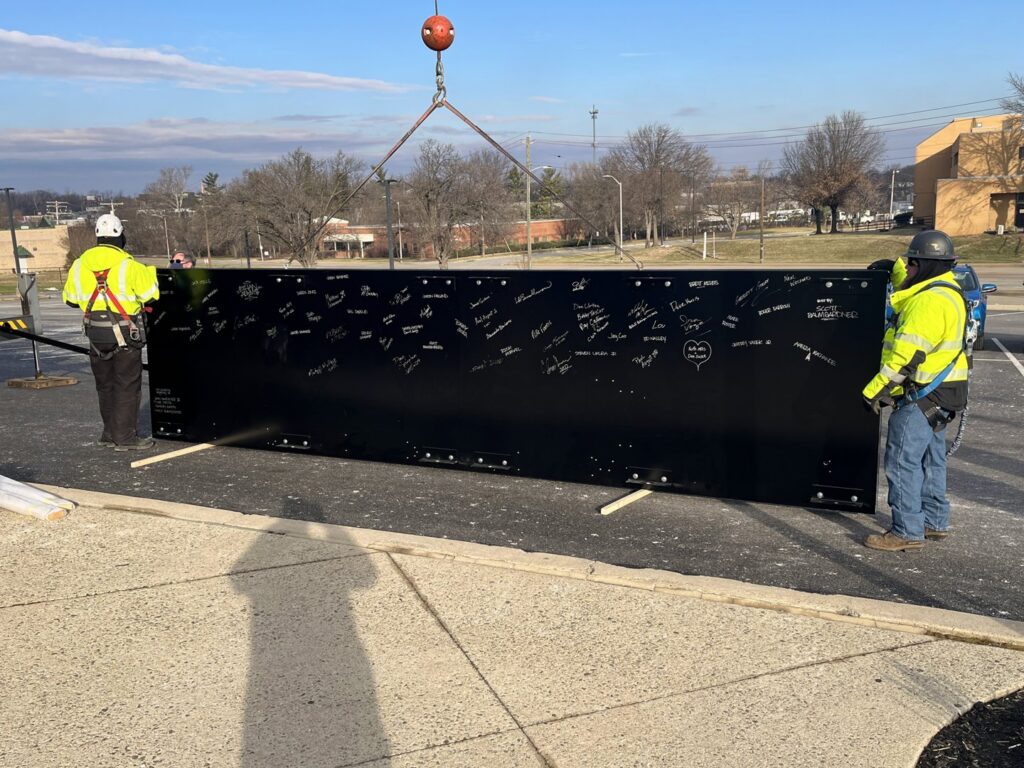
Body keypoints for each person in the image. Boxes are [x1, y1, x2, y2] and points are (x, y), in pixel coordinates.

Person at [862, 230, 969, 551]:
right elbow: (912, 281)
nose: (907, 269)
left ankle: (906, 530)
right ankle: (934, 521)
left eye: (911, 264)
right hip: (946, 393)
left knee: (902, 461)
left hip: (922, 395)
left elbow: (904, 357)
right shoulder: (949, 291)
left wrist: (874, 392)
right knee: (931, 459)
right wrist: (895, 267)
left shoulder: (927, 303)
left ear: (925, 265)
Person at [62, 214, 160, 451]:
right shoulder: (129, 265)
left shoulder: (79, 265)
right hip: (126, 334)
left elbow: (70, 299)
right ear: (120, 236)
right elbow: (150, 295)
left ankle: (109, 433)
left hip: (96, 335)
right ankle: (125, 437)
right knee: (126, 384)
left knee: (104, 384)